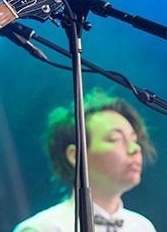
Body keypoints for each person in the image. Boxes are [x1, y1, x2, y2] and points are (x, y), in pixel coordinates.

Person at [13, 89, 157, 232]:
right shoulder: (42, 228)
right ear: (75, 155)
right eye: (116, 139)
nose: (135, 148)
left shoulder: (142, 227)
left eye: (134, 140)